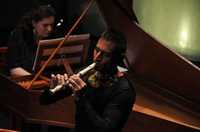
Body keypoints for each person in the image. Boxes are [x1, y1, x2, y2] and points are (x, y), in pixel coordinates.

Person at [41, 29, 136, 132]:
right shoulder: (88, 73)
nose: (96, 58)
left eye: (105, 54)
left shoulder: (124, 91)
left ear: (117, 58)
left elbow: (106, 129)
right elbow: (44, 101)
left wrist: (82, 97)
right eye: (96, 50)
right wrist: (52, 88)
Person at [6, 5, 56, 77]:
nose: (49, 29)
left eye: (51, 25)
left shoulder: (52, 36)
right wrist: (35, 79)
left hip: (46, 79)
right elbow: (14, 69)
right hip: (25, 81)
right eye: (45, 25)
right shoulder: (19, 35)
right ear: (34, 23)